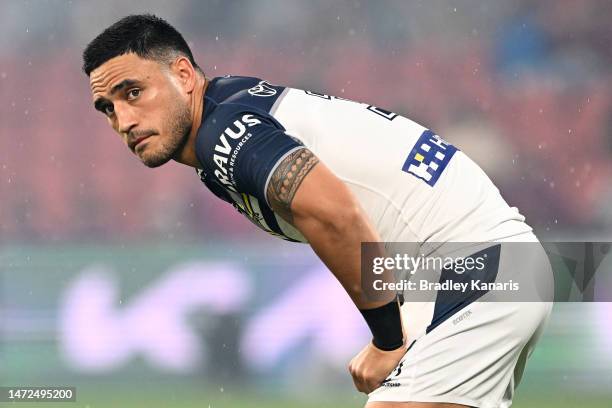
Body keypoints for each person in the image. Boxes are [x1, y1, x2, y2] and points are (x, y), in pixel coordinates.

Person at [83, 14, 552, 408]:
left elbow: (334, 215)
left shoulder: (223, 133)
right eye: (107, 108)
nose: (123, 121)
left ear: (184, 76)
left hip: (477, 268)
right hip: (490, 267)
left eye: (133, 93)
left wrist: (387, 340)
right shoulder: (227, 116)